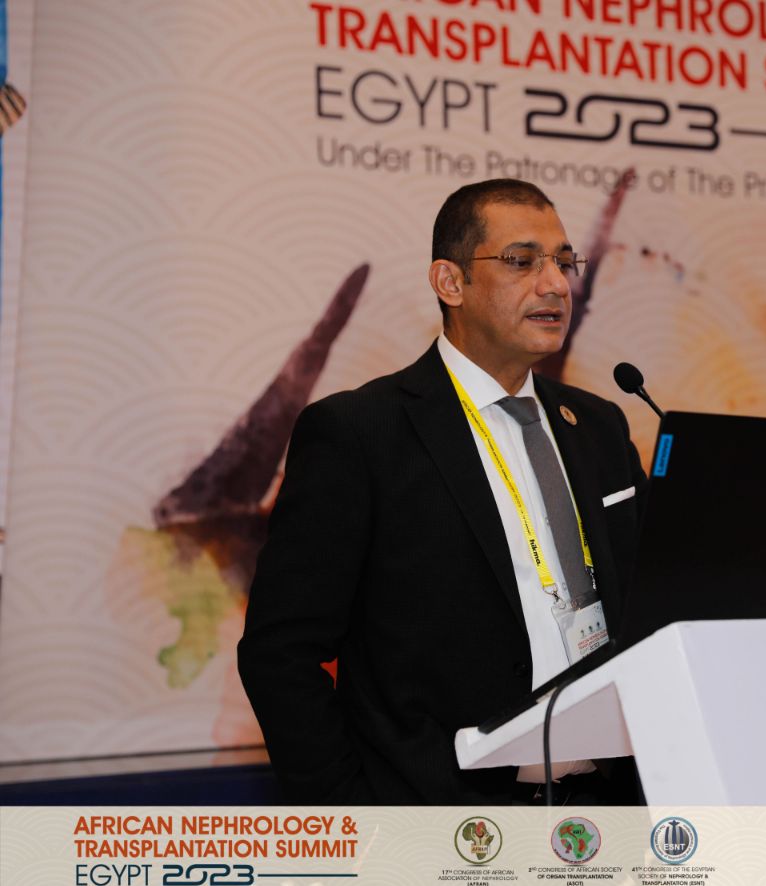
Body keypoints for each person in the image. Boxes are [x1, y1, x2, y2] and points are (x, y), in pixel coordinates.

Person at [238, 179, 646, 804]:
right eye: (522, 261)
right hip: (442, 815)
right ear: (450, 282)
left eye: (565, 262)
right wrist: (352, 817)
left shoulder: (598, 425)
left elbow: (647, 604)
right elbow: (280, 653)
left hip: (606, 806)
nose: (556, 284)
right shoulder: (360, 433)